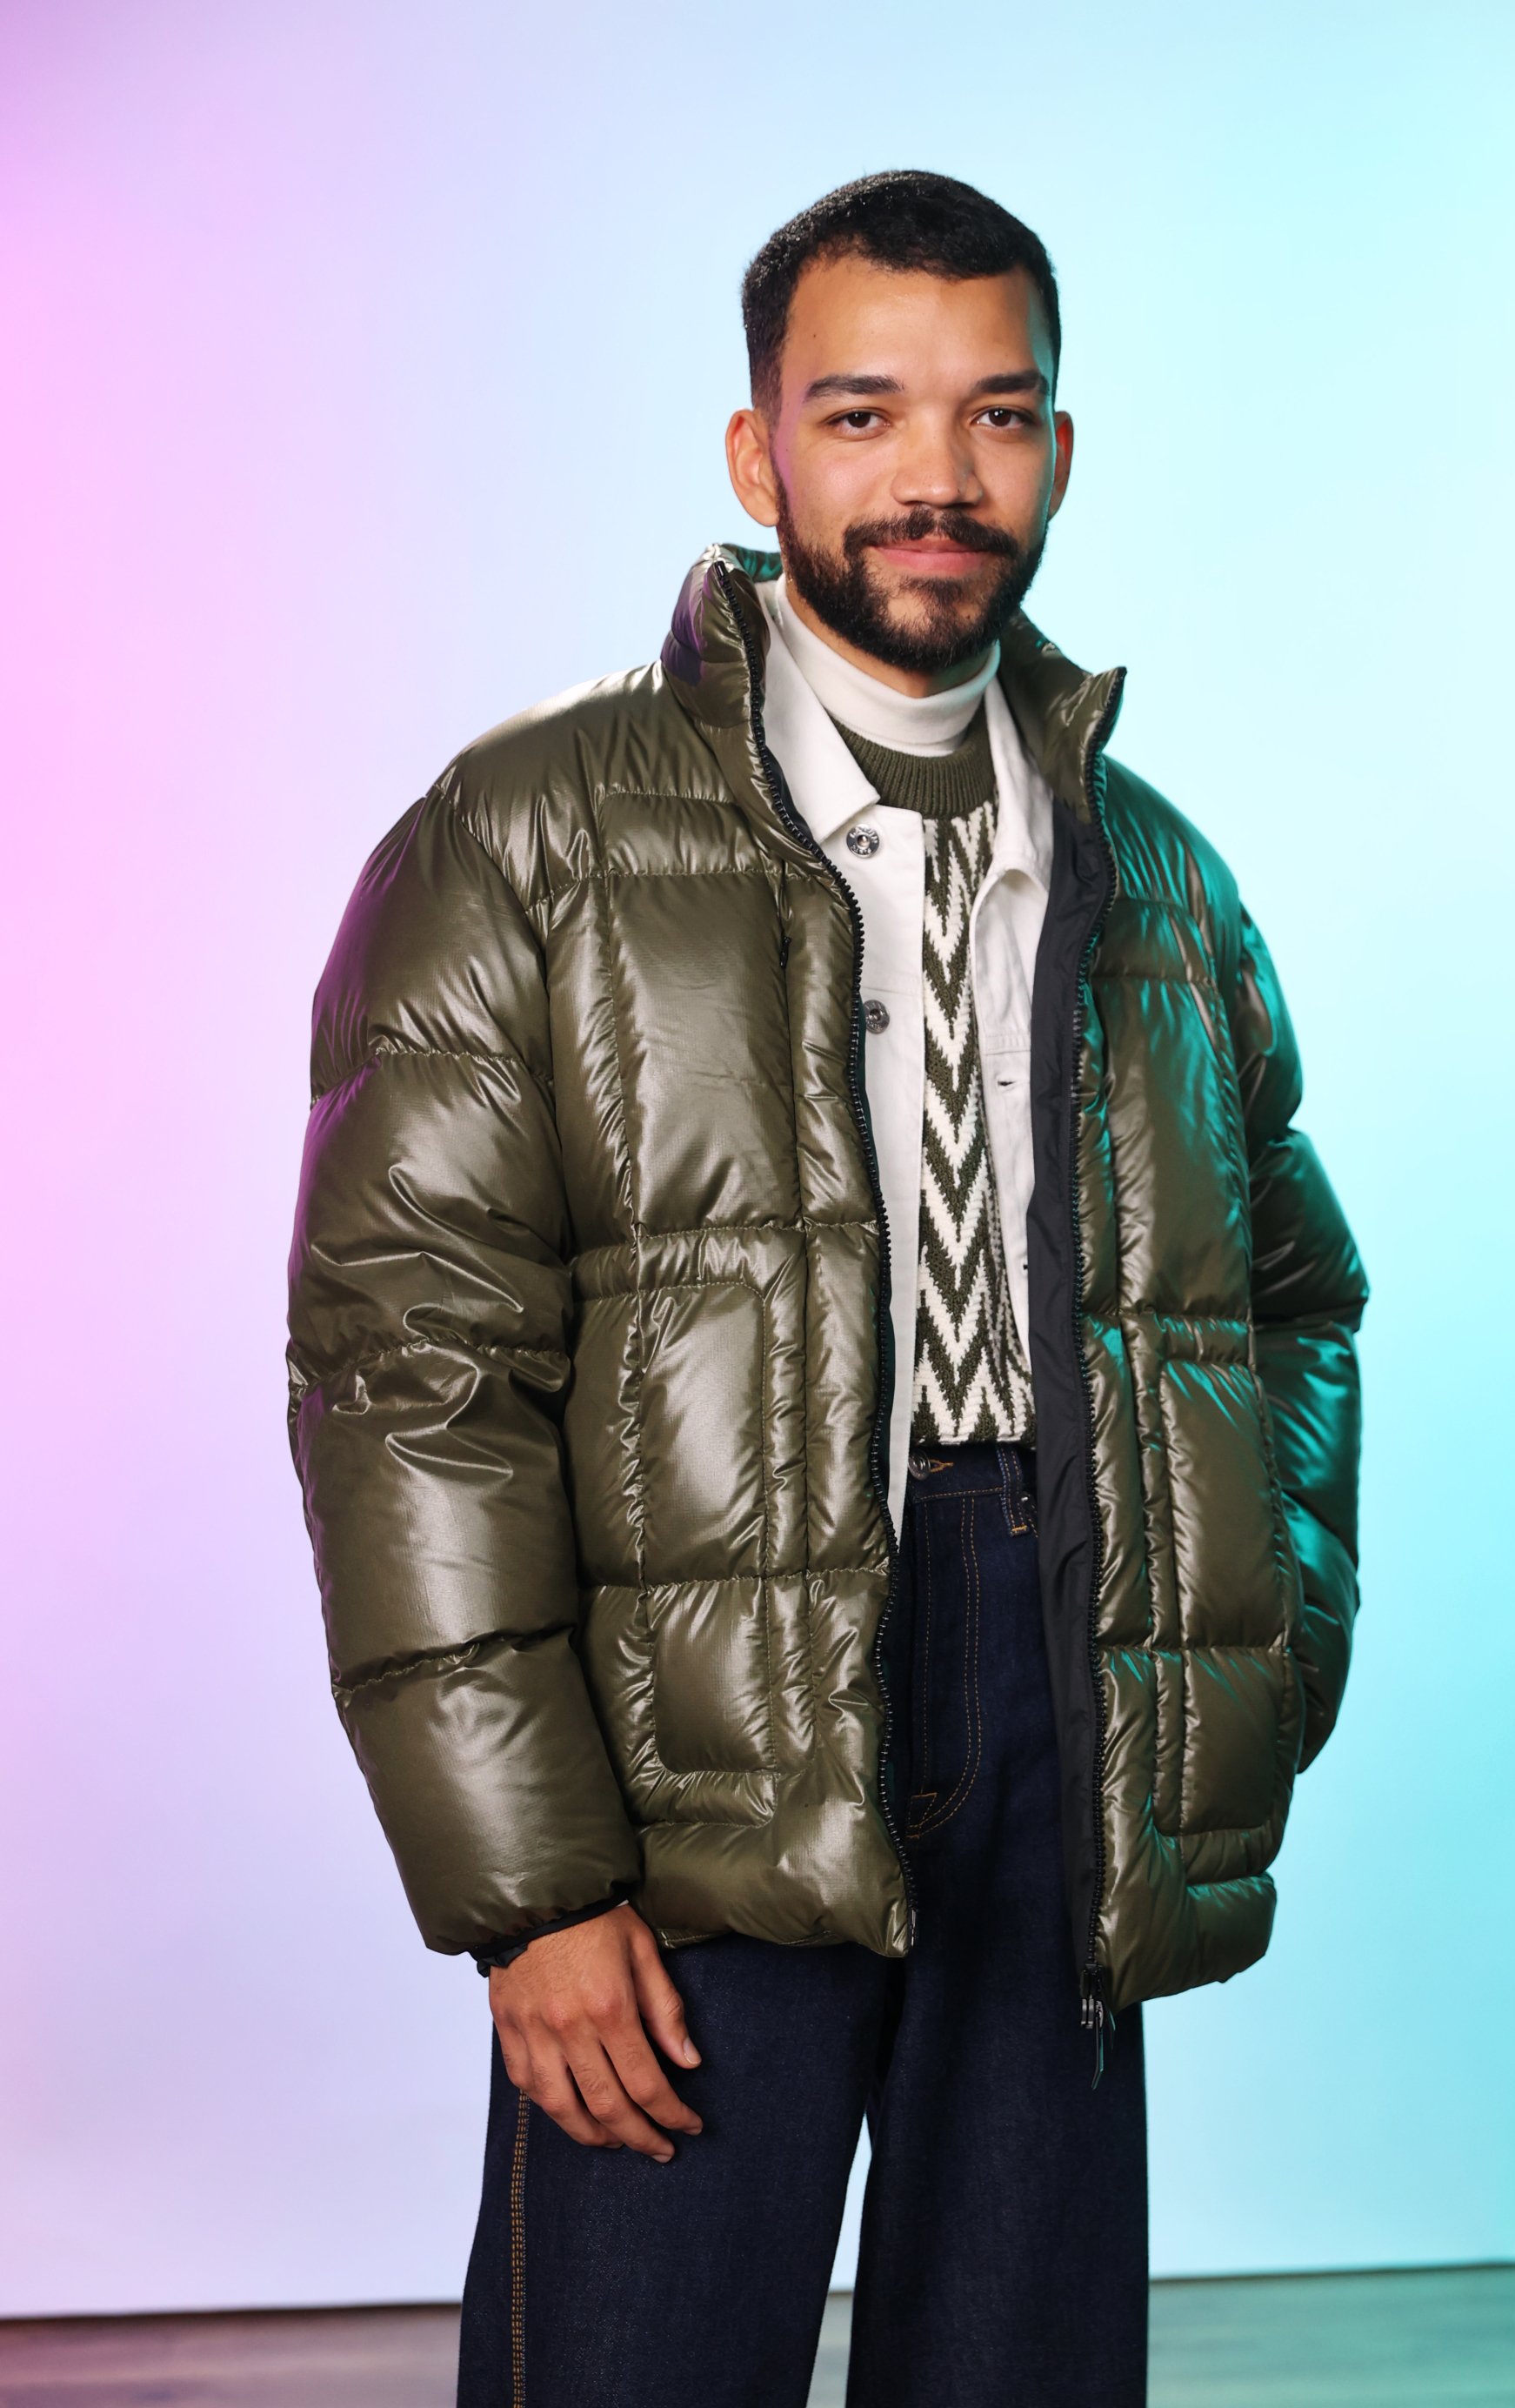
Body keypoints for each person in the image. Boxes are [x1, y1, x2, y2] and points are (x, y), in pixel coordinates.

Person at [287, 170, 1366, 2408]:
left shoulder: (1154, 870)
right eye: (865, 414)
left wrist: (1241, 1657)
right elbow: (410, 1372)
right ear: (759, 451)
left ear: (1060, 452)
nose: (938, 481)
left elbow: (1291, 1301)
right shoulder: (531, 836)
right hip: (703, 1725)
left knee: (1018, 2370)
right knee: (637, 2364)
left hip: (1063, 1692)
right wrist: (528, 1884)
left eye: (998, 416)